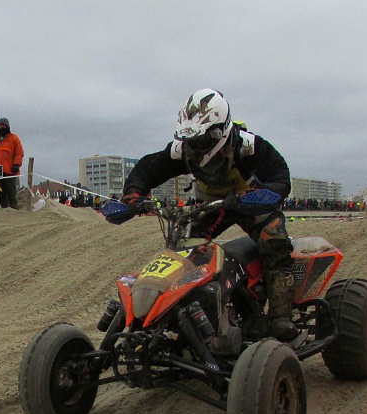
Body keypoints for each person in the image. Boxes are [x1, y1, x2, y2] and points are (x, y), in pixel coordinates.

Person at [115, 88, 298, 340]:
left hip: (250, 202)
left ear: (219, 132)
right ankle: (189, 316)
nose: (195, 146)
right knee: (186, 253)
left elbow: (280, 175)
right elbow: (147, 169)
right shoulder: (182, 151)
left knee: (274, 241)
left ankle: (280, 316)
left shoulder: (248, 147)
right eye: (190, 140)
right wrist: (133, 194)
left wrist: (265, 195)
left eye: (200, 140)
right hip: (209, 206)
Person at [0, 117, 25, 209]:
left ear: (7, 127)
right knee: (1, 192)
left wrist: (16, 164)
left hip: (10, 170)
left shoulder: (14, 138)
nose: (1, 128)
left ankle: (14, 209)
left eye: (3, 126)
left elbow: (19, 153)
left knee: (11, 191)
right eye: (0, 126)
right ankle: (4, 209)